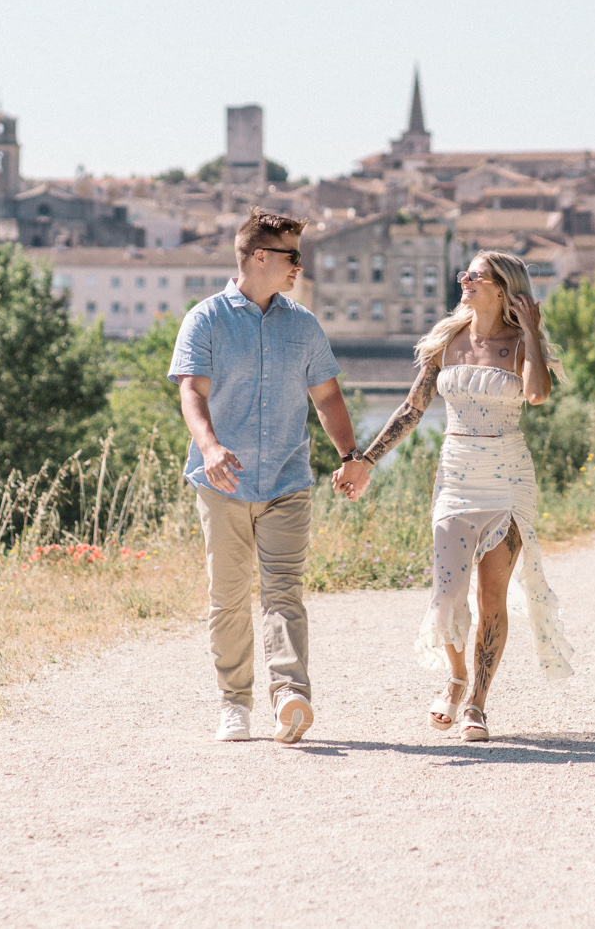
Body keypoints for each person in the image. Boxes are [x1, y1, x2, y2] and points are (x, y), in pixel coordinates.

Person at [334, 249, 572, 740]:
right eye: (464, 272)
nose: (463, 279)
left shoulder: (520, 345)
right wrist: (364, 462)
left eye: (475, 275)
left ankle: (477, 703)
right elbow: (413, 407)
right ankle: (456, 676)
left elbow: (537, 394)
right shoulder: (446, 340)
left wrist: (529, 329)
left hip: (508, 479)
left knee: (491, 597)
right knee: (447, 592)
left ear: (502, 288)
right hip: (456, 475)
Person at [171, 208, 359, 744]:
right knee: (227, 597)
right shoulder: (205, 319)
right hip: (223, 483)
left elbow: (326, 396)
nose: (300, 266)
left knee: (284, 594)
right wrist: (208, 449)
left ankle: (290, 695)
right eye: (291, 256)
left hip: (286, 481)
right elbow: (191, 392)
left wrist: (350, 455)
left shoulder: (303, 325)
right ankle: (234, 702)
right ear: (259, 257)